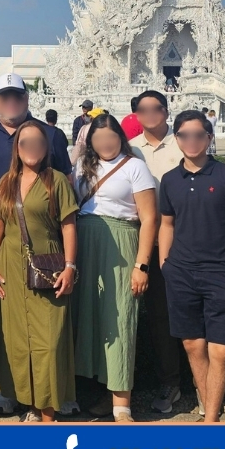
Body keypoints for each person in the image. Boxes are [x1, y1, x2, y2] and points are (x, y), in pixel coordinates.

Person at [0, 72, 73, 415]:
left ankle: (54, 393)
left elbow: (66, 185)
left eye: (16, 96)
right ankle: (9, 390)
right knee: (5, 323)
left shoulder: (50, 134)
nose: (10, 102)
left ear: (26, 98)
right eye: (4, 96)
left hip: (46, 252)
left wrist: (69, 260)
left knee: (50, 328)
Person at [159, 110, 225, 423]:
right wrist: (165, 264)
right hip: (181, 272)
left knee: (221, 350)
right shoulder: (170, 180)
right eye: (184, 135)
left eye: (198, 135)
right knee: (192, 345)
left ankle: (210, 419)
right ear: (177, 138)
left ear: (209, 138)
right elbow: (167, 224)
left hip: (220, 273)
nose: (192, 141)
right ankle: (209, 410)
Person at [0, 119, 79, 422]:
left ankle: (48, 411)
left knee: (49, 343)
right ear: (17, 148)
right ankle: (32, 405)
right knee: (19, 340)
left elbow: (69, 225)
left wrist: (69, 266)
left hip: (48, 267)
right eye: (25, 143)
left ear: (46, 148)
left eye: (38, 143)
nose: (32, 148)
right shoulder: (6, 182)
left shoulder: (56, 180)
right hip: (11, 268)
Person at [72, 114, 157, 422]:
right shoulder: (81, 167)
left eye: (111, 137)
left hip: (121, 241)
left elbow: (149, 218)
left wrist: (141, 264)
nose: (106, 144)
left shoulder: (135, 167)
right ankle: (96, 394)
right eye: (99, 139)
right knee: (88, 317)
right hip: (85, 241)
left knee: (120, 317)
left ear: (121, 138)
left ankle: (122, 403)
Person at [127, 90, 184, 414]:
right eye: (143, 109)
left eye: (156, 108)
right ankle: (167, 381)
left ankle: (199, 382)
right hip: (147, 244)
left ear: (166, 111)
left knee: (189, 314)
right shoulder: (131, 149)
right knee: (158, 316)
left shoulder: (184, 143)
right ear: (136, 114)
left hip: (183, 242)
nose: (150, 114)